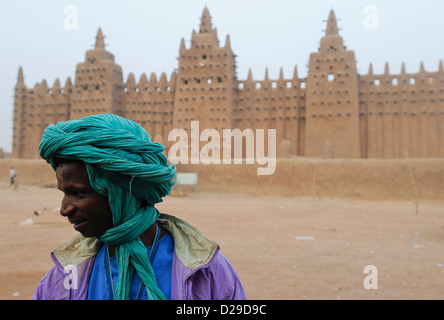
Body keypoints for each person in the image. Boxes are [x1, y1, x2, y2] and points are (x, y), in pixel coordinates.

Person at [32, 113, 246, 300]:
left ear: (121, 191)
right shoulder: (63, 278)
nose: (64, 209)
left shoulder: (205, 273)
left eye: (78, 193)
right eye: (64, 193)